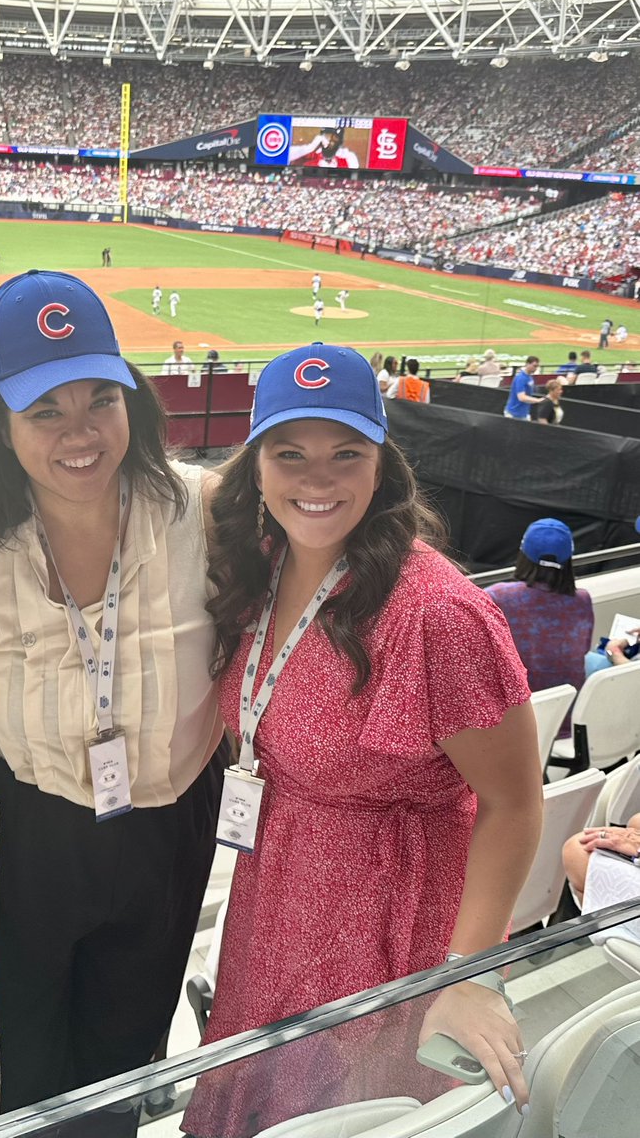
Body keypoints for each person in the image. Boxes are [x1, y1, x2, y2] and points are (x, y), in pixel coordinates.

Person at [183, 342, 541, 1134]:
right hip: (274, 904)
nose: (317, 479)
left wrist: (466, 973)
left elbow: (515, 802)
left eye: (346, 453)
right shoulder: (263, 559)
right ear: (257, 468)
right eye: (290, 455)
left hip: (386, 926)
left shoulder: (436, 614)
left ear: (381, 466)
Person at [0, 270, 224, 1132]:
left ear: (133, 403)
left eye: (99, 401)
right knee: (23, 1071)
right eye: (46, 411)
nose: (79, 433)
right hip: (27, 834)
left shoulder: (205, 510)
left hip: (168, 823)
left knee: (122, 1071)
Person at [484, 519, 593, 747]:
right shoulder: (582, 600)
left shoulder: (497, 597)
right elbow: (581, 652)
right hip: (568, 719)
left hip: (516, 726)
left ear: (523, 553)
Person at [291, 127, 359, 168]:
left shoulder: (346, 158)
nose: (330, 141)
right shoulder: (309, 154)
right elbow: (284, 156)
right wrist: (309, 148)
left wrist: (343, 153)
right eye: (327, 137)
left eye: (334, 138)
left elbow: (354, 167)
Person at [504, 355, 542, 420]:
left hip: (524, 413)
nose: (535, 368)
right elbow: (521, 397)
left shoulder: (530, 378)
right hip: (513, 413)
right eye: (534, 366)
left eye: (537, 366)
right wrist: (538, 400)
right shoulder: (521, 378)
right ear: (527, 364)